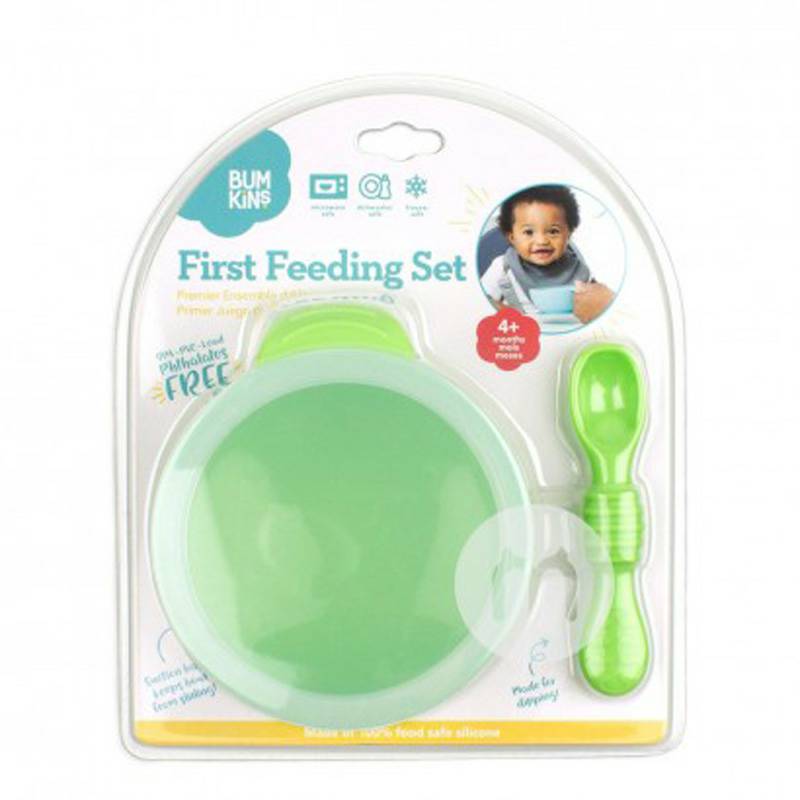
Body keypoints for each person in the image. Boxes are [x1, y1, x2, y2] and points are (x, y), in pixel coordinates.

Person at [480, 185, 614, 323]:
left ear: (568, 234)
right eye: (528, 232)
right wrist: (503, 312)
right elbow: (480, 300)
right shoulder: (503, 267)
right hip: (521, 332)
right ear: (512, 237)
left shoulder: (580, 270)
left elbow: (597, 304)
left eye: (553, 231)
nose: (542, 241)